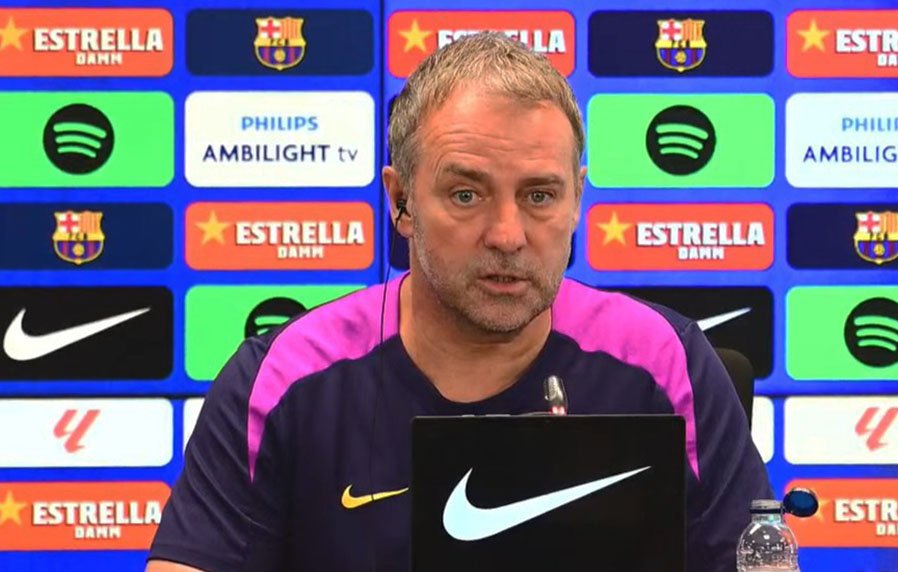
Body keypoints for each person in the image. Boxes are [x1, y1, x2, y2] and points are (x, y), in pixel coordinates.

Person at [146, 31, 772, 572]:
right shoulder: (283, 378)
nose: (507, 235)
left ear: (577, 200)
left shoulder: (663, 360)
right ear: (401, 202)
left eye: (540, 196)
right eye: (466, 195)